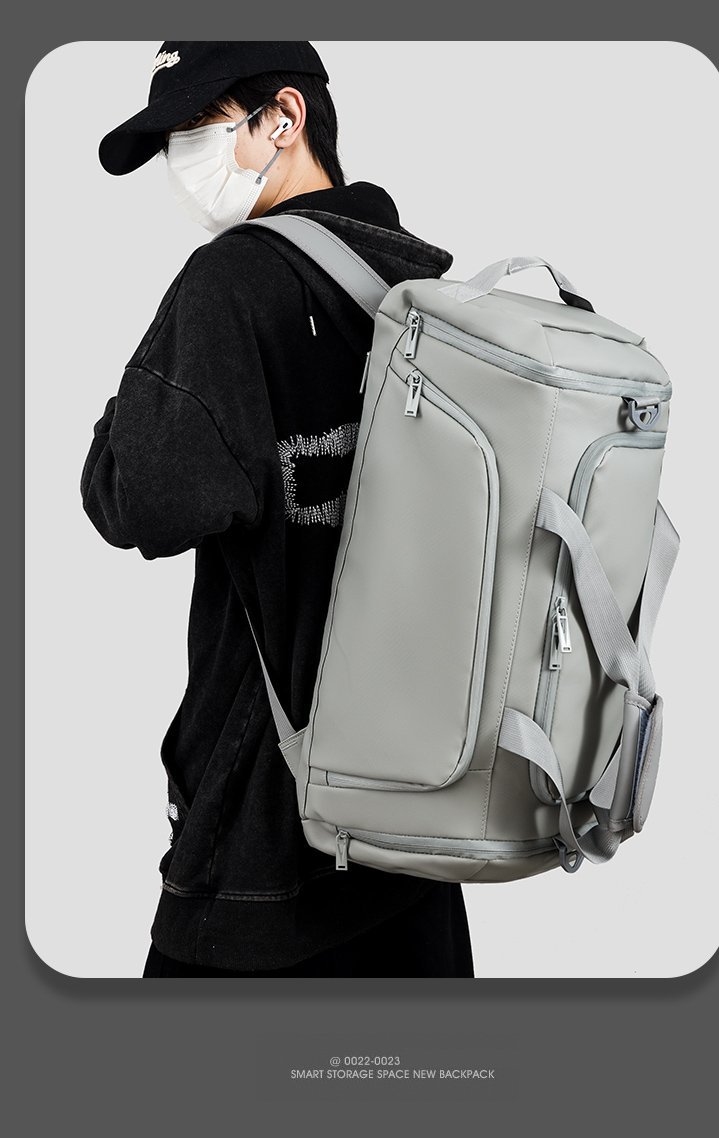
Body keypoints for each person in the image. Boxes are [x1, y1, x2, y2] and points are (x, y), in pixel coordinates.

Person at [82, 41, 475, 977]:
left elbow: (136, 498)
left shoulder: (230, 286)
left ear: (284, 119)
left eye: (197, 128)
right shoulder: (422, 294)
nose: (182, 162)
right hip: (419, 825)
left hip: (267, 842)